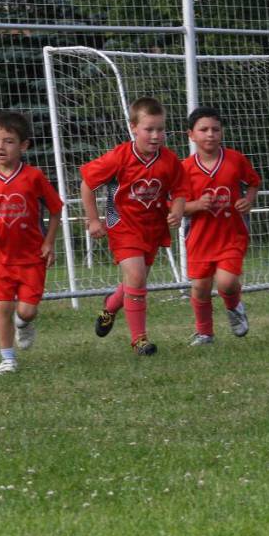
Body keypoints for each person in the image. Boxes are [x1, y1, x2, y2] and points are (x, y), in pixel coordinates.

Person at [81, 97, 188, 355]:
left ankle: (110, 306)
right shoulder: (119, 157)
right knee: (137, 278)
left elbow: (180, 190)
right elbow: (87, 184)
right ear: (133, 127)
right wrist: (94, 219)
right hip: (121, 224)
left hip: (152, 228)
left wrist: (177, 210)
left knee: (135, 281)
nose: (155, 135)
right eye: (149, 129)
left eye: (160, 129)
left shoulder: (169, 160)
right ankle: (139, 340)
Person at [0, 111, 63, 375]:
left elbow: (56, 209)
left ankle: (23, 323)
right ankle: (7, 358)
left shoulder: (33, 177)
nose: (0, 146)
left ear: (23, 146)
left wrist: (49, 242)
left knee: (27, 310)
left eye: (8, 141)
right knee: (2, 306)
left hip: (32, 257)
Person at [181, 107, 261, 346]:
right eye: (203, 129)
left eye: (215, 129)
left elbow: (254, 182)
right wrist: (196, 205)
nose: (210, 134)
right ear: (191, 135)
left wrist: (248, 200)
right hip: (199, 239)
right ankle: (204, 333)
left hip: (231, 235)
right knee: (200, 287)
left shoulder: (235, 160)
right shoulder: (184, 168)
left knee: (226, 282)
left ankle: (234, 306)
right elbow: (176, 206)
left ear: (222, 132)